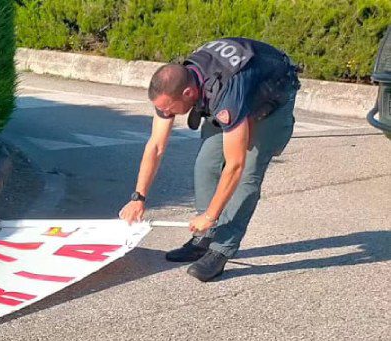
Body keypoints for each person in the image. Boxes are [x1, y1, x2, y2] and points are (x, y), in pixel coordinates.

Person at [119, 38, 302, 281]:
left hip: (271, 98)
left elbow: (235, 165)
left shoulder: (226, 92)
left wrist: (209, 216)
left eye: (170, 109)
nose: (166, 114)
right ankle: (206, 238)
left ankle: (221, 249)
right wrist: (138, 197)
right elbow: (156, 146)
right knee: (207, 163)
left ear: (188, 93)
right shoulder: (175, 86)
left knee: (248, 173)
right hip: (235, 96)